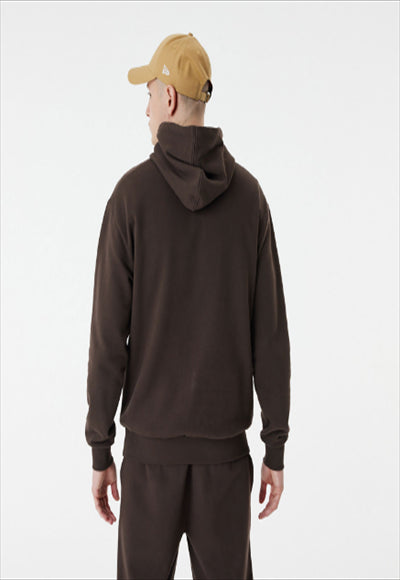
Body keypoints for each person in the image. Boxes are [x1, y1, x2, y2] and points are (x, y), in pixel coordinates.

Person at [85, 32, 291, 580]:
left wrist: (101, 448)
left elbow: (108, 338)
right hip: (227, 462)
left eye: (149, 95)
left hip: (149, 460)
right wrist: (274, 446)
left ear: (170, 98)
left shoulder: (130, 197)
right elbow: (270, 335)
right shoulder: (249, 198)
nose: (146, 109)